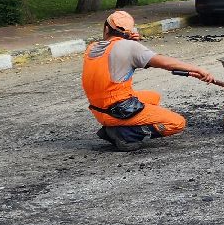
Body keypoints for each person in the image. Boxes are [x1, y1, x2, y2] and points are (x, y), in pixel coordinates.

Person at [83, 10, 215, 151]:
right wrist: (198, 69)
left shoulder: (92, 47)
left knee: (153, 97)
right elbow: (164, 62)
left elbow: (116, 53)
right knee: (177, 123)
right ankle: (123, 133)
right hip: (117, 111)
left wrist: (130, 43)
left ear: (106, 29)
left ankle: (118, 126)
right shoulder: (130, 47)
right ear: (129, 31)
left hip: (99, 109)